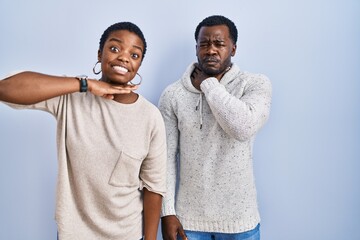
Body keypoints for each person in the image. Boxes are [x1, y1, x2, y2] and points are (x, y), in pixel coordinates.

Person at [0, 21, 166, 240]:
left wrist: (151, 239)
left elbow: (154, 187)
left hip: (127, 234)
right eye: (114, 48)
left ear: (139, 65)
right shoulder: (73, 97)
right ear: (100, 54)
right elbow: (5, 88)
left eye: (134, 55)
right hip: (73, 234)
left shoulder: (150, 116)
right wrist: (85, 85)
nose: (124, 58)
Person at [158, 15, 272, 240]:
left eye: (219, 44)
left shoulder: (255, 84)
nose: (211, 50)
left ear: (233, 48)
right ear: (196, 48)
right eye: (204, 44)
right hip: (188, 221)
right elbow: (166, 158)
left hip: (241, 223)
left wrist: (208, 85)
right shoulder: (173, 95)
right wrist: (167, 212)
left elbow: (242, 128)